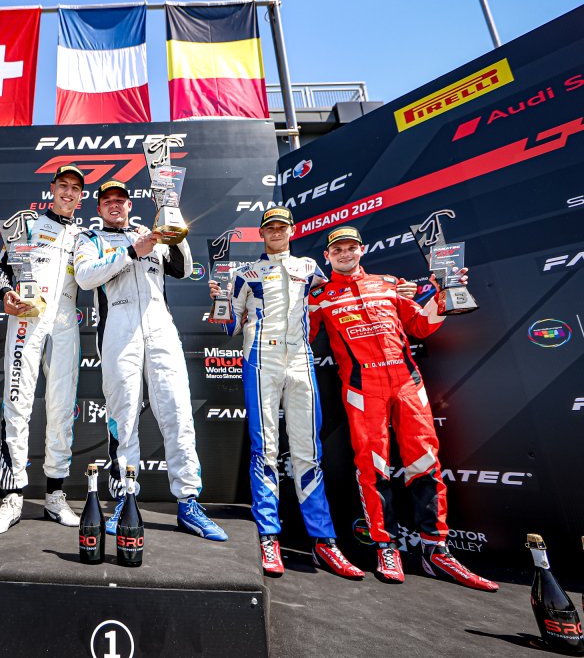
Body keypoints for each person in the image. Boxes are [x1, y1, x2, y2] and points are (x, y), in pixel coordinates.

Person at [308, 226, 497, 591]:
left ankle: (435, 550)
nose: (345, 253)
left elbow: (421, 326)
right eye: (338, 249)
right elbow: (300, 334)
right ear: (327, 256)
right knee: (373, 467)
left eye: (351, 247)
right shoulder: (320, 296)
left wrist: (444, 292)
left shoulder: (390, 284)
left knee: (425, 462)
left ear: (362, 250)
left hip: (407, 382)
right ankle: (386, 547)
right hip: (362, 388)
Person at [208, 207, 363, 578]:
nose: (276, 232)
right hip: (261, 358)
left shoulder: (311, 268)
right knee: (266, 450)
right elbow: (229, 327)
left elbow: (335, 295)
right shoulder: (245, 273)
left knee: (308, 451)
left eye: (281, 227)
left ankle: (324, 542)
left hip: (300, 360)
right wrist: (219, 300)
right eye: (270, 228)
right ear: (262, 233)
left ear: (292, 230)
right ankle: (269, 536)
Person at [73, 180, 227, 542]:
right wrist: (131, 250)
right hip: (118, 331)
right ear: (99, 209)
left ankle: (188, 502)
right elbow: (84, 277)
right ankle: (125, 500)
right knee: (123, 418)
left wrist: (172, 226)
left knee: (178, 412)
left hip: (161, 330)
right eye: (107, 201)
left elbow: (183, 269)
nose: (114, 205)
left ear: (130, 205)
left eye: (120, 200)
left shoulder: (151, 233)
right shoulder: (89, 239)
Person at [0, 164, 84, 535]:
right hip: (26, 319)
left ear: (80, 196)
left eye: (75, 188)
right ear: (52, 188)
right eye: (63, 185)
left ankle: (55, 495)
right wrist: (5, 294)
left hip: (65, 324)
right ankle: (12, 497)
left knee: (61, 409)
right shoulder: (26, 224)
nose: (68, 193)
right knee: (17, 404)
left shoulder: (85, 236)